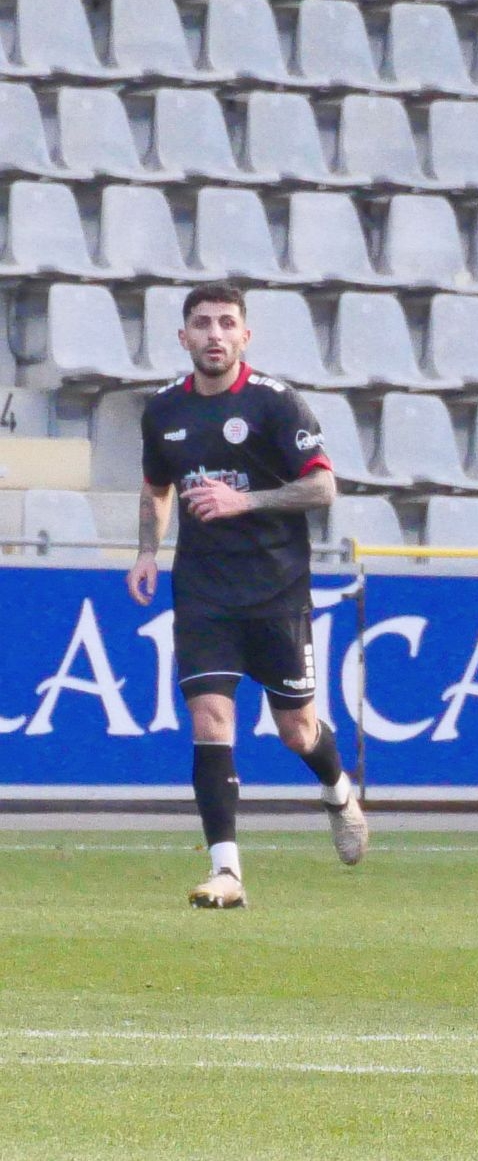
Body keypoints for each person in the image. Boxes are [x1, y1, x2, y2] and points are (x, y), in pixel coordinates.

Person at [127, 282, 368, 910]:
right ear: (184, 336)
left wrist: (246, 500)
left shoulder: (276, 403)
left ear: (245, 335)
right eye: (203, 323)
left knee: (297, 730)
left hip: (276, 591)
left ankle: (338, 790)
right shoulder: (163, 411)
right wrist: (148, 550)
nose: (215, 334)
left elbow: (323, 489)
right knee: (211, 720)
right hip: (204, 592)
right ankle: (227, 872)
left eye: (226, 323)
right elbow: (156, 488)